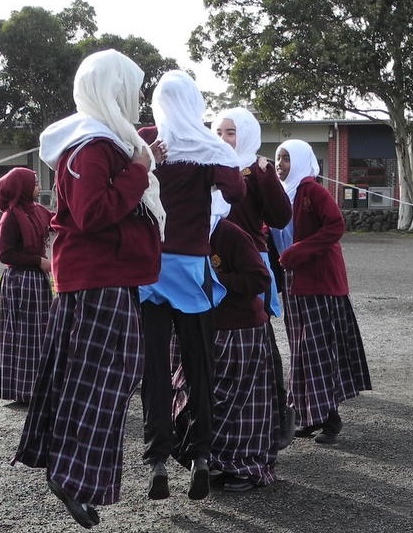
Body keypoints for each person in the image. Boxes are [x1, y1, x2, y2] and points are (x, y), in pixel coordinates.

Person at [10, 49, 164, 530]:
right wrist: (139, 170)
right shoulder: (89, 147)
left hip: (108, 279)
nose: (134, 98)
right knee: (101, 382)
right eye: (129, 88)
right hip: (98, 281)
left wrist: (142, 159)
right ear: (111, 89)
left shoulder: (104, 143)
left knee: (94, 381)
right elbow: (93, 213)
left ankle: (71, 473)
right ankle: (69, 475)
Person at [138, 70, 245, 501]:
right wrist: (222, 153)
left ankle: (157, 460)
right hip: (192, 265)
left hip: (151, 267)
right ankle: (202, 454)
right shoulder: (207, 146)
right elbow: (234, 192)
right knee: (200, 364)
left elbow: (126, 180)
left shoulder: (147, 140)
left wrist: (151, 159)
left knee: (154, 370)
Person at [171, 190, 278, 491]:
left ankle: (246, 467)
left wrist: (217, 283)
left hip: (240, 329)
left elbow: (260, 279)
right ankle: (213, 460)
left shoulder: (228, 233)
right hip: (204, 328)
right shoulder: (184, 237)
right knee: (196, 397)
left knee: (240, 404)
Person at [270, 139, 372, 445]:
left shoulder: (312, 190)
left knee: (317, 351)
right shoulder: (280, 195)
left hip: (318, 282)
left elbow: (335, 225)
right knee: (301, 353)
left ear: (300, 160)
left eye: (286, 159)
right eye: (278, 158)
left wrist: (300, 251)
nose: (280, 165)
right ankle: (310, 415)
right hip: (294, 283)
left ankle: (330, 419)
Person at [210, 107, 295, 448]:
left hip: (248, 262)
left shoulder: (256, 170)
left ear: (245, 134)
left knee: (258, 341)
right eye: (218, 132)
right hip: (209, 260)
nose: (223, 139)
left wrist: (268, 176)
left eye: (230, 132)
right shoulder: (205, 164)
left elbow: (279, 216)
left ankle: (273, 423)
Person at [0, 167, 54, 405]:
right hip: (20, 283)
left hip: (37, 282)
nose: (38, 187)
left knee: (39, 334)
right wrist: (39, 261)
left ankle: (39, 387)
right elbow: (5, 254)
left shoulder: (37, 211)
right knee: (23, 335)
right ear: (22, 187)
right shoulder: (11, 217)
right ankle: (22, 389)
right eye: (35, 183)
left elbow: (56, 221)